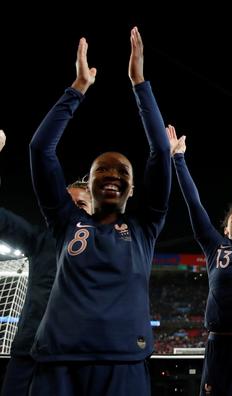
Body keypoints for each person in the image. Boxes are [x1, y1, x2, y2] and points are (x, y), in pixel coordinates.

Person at [28, 27, 171, 395]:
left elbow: (160, 152)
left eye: (122, 171)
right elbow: (40, 150)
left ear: (133, 188)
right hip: (59, 365)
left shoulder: (145, 226)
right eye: (101, 170)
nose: (111, 175)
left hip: (123, 364)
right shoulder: (66, 221)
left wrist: (140, 82)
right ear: (88, 186)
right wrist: (77, 88)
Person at [0, 131, 93, 396]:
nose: (73, 208)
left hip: (79, 359)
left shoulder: (108, 247)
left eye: (82, 204)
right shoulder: (39, 239)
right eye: (68, 202)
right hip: (30, 354)